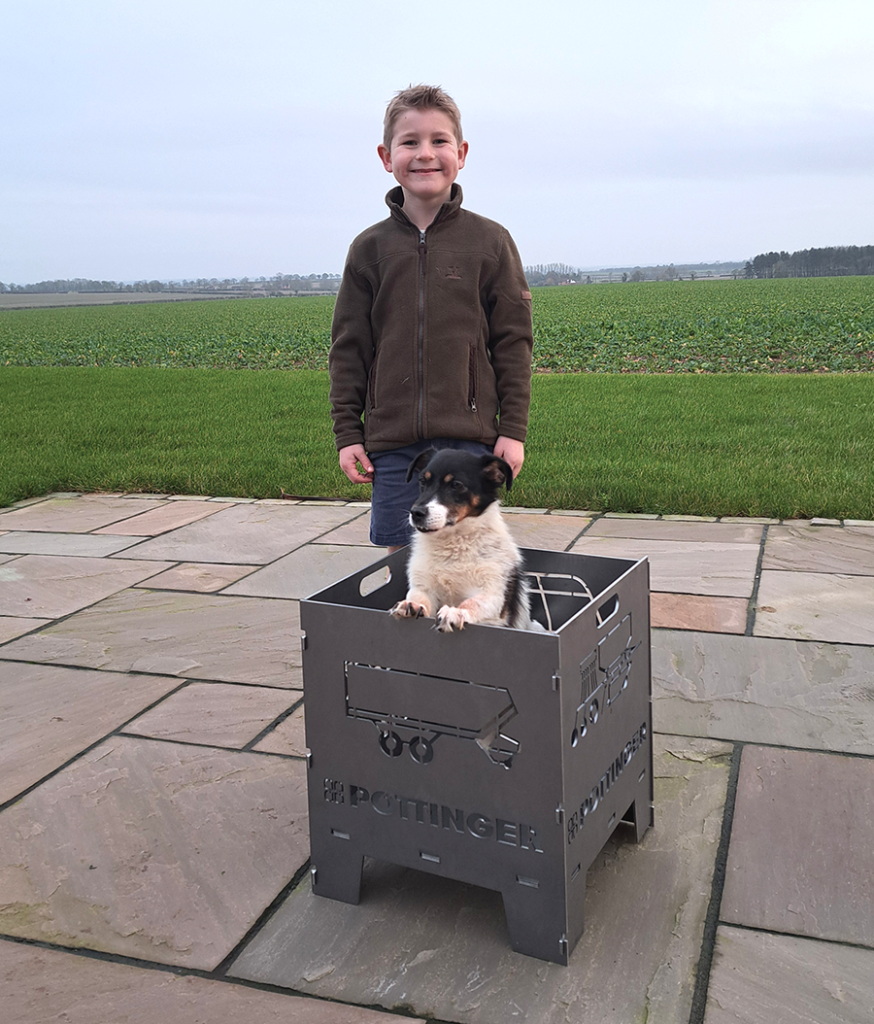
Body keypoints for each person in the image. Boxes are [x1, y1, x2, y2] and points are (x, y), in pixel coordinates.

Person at [329, 84, 533, 550]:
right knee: (407, 571)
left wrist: (512, 431)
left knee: (471, 563)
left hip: (470, 444)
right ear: (386, 156)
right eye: (410, 142)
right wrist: (348, 433)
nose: (425, 154)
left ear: (461, 153)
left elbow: (513, 343)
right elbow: (349, 348)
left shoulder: (491, 241)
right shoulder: (369, 249)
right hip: (395, 446)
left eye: (439, 141)